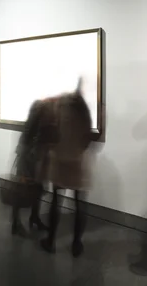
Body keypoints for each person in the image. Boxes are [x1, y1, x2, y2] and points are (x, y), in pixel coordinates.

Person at [40, 83, 93, 257]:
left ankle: (50, 241)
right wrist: (80, 150)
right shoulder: (83, 108)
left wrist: (54, 148)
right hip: (77, 160)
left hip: (60, 158)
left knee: (57, 200)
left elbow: (50, 131)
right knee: (79, 203)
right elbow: (89, 135)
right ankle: (76, 244)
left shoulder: (59, 105)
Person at [11, 99, 56, 236]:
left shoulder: (41, 124)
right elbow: (24, 146)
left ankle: (34, 217)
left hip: (36, 161)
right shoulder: (32, 126)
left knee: (37, 190)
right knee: (22, 191)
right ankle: (16, 223)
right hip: (28, 162)